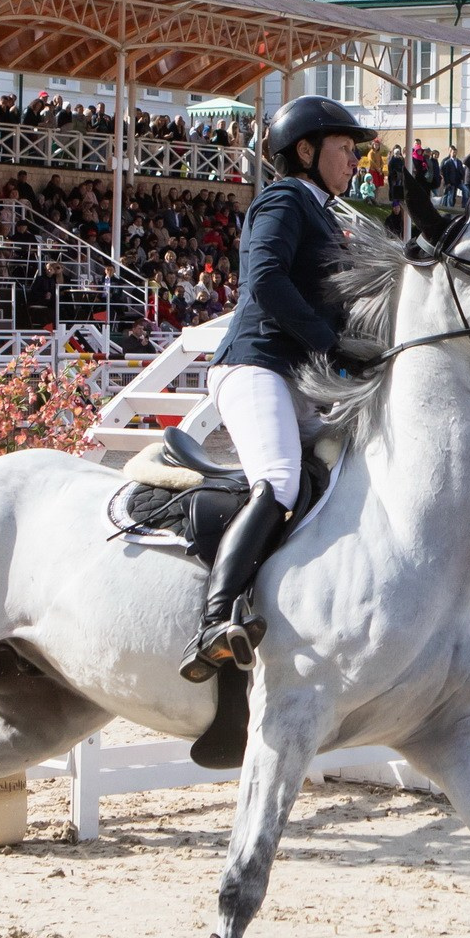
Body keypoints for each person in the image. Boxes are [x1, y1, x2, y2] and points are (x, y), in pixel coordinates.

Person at [182, 94, 376, 685]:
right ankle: (215, 620)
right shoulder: (285, 198)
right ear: (306, 150)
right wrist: (329, 343)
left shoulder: (328, 214)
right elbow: (264, 280)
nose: (354, 161)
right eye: (345, 150)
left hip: (297, 377)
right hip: (256, 365)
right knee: (281, 479)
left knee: (348, 469)